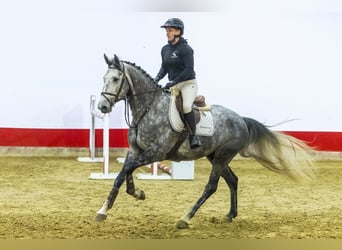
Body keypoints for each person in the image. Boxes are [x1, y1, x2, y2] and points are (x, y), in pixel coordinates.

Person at [154, 18, 202, 149]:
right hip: (173, 84)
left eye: (169, 30)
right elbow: (164, 67)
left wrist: (173, 82)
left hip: (188, 83)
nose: (167, 33)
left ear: (178, 31)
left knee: (186, 106)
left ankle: (193, 136)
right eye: (166, 30)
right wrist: (156, 79)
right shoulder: (165, 49)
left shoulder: (186, 49)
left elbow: (189, 70)